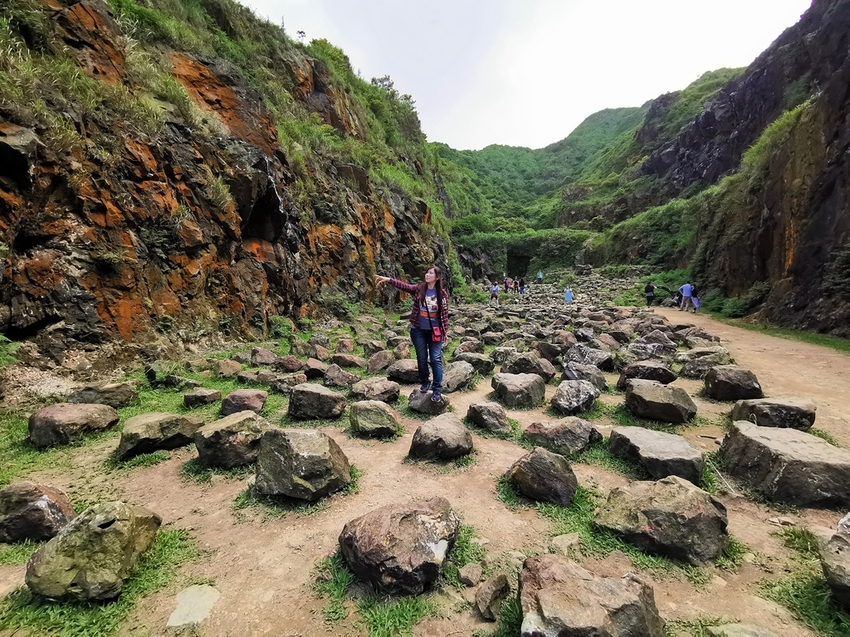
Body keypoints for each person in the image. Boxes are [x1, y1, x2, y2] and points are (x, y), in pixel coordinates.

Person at [376, 266, 448, 402]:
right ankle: (425, 382)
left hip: (435, 332)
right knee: (421, 359)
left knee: (435, 359)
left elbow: (444, 315)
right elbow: (404, 286)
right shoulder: (419, 288)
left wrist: (445, 332)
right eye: (427, 272)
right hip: (418, 330)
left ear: (437, 277)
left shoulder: (442, 294)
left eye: (431, 273)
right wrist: (389, 280)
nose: (427, 274)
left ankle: (437, 388)